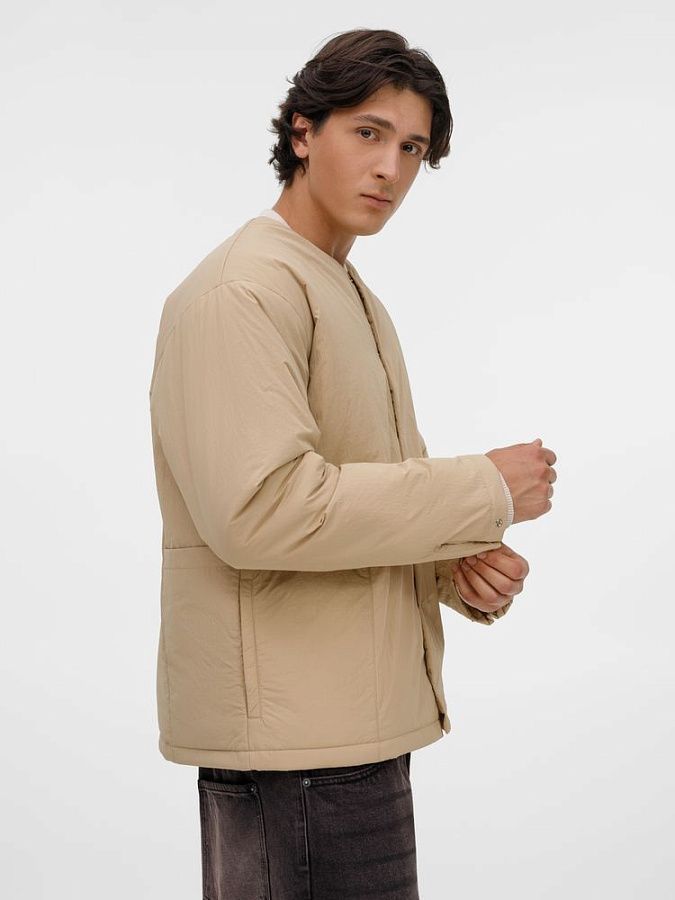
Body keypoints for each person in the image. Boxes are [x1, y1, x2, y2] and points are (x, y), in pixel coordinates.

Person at [148, 27, 557, 900]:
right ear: (302, 131)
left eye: (411, 148)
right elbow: (263, 511)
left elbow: (351, 496)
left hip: (344, 732)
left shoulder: (344, 292)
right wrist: (483, 489)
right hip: (295, 751)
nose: (390, 169)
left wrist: (453, 566)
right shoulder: (244, 289)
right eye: (367, 133)